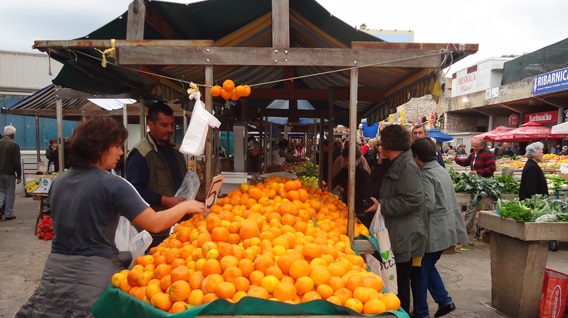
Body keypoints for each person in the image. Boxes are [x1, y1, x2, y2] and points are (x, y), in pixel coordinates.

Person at [16, 117, 205, 317]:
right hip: (92, 275)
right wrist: (187, 206)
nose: (121, 152)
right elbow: (155, 223)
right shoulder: (113, 185)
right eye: (116, 146)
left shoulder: (61, 180)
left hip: (55, 270)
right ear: (100, 148)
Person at [364, 124, 427, 313]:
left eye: (383, 143)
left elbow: (415, 197)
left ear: (388, 144)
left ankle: (401, 313)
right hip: (397, 230)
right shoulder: (397, 161)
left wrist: (383, 206)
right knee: (397, 280)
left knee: (399, 282)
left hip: (404, 233)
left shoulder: (406, 165)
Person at [410, 137, 468, 318]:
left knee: (418, 272)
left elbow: (427, 204)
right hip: (446, 231)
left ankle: (421, 313)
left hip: (433, 233)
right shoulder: (441, 170)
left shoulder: (426, 174)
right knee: (428, 267)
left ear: (417, 156)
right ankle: (444, 301)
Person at [126, 102, 189, 248]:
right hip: (154, 232)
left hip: (178, 226)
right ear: (150, 124)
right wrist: (164, 199)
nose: (170, 129)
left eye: (172, 125)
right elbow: (134, 191)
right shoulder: (140, 154)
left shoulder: (174, 152)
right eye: (164, 125)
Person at [454, 138, 496, 233]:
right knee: (473, 204)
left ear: (482, 146)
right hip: (476, 183)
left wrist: (477, 172)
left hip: (486, 183)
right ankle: (467, 227)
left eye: (476, 146)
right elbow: (465, 162)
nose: (474, 148)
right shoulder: (473, 154)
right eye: (473, 146)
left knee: (488, 205)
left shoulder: (488, 154)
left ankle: (490, 229)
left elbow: (492, 168)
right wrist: (457, 160)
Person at [331, 147, 370, 221]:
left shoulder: (363, 174)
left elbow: (362, 195)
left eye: (349, 160)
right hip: (343, 208)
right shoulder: (344, 171)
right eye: (345, 160)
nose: (346, 163)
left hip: (357, 211)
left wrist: (344, 192)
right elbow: (334, 182)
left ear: (358, 160)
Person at [0, 125, 21, 221]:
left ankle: (0, 208)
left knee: (1, 191)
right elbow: (16, 161)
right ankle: (8, 213)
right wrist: (19, 175)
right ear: (12, 134)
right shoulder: (14, 145)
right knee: (10, 193)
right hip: (9, 172)